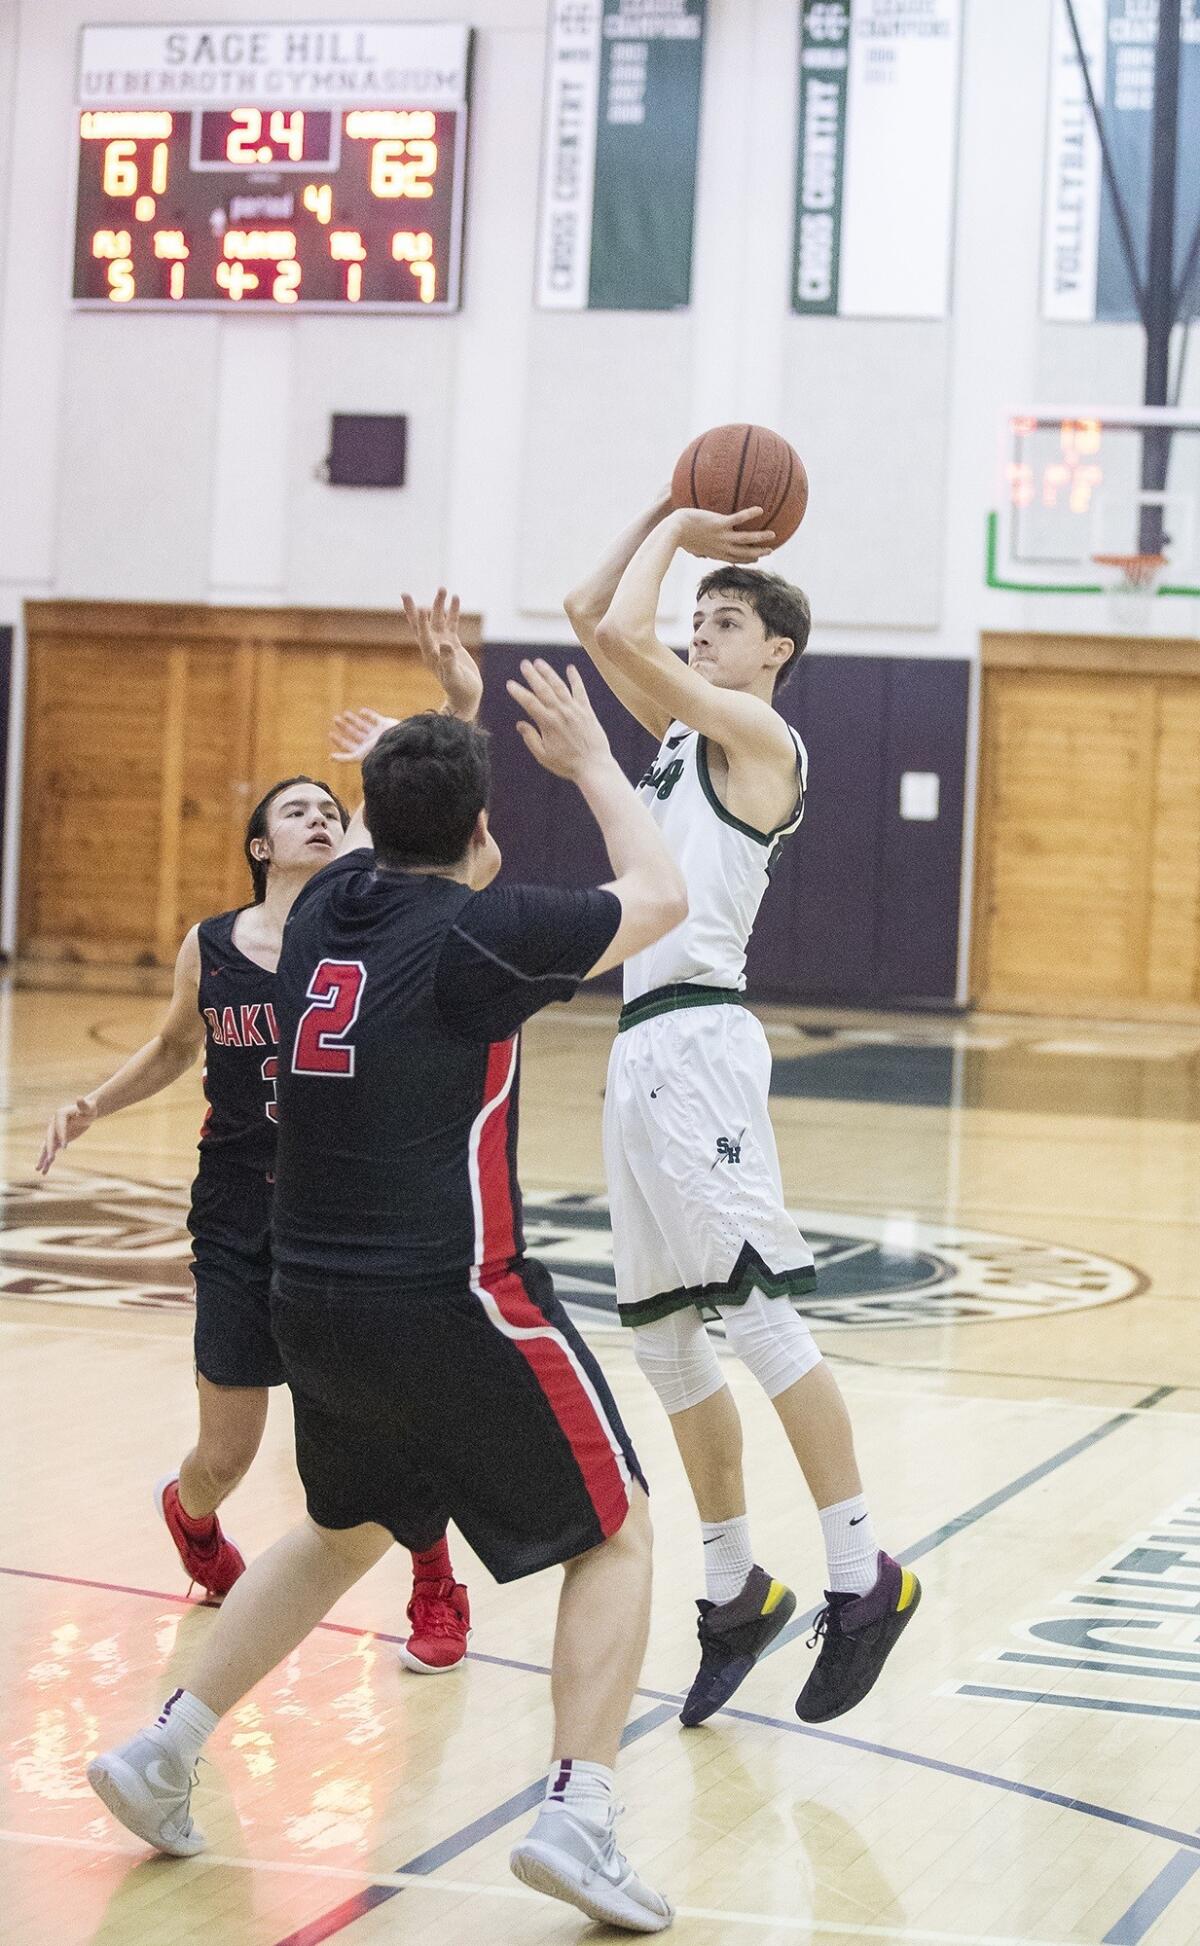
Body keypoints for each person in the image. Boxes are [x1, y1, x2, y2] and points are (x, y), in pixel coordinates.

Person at [87, 629, 687, 1935]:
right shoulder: (486, 936)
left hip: (313, 1292)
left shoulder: (307, 921)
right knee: (621, 1526)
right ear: (478, 827)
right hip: (452, 1291)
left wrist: (446, 723)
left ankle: (165, 1746)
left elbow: (398, 829)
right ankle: (581, 1811)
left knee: (344, 1525)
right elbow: (659, 893)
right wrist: (590, 761)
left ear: (367, 814)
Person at [39, 604, 479, 1672]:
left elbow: (438, 788)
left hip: (340, 1202)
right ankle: (189, 1516)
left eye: (334, 806)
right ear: (258, 844)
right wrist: (96, 1101)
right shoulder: (210, 943)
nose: (322, 817)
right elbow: (170, 1047)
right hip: (237, 1206)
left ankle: (435, 1579)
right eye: (297, 809)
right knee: (226, 1452)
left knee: (384, 1410)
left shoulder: (356, 905)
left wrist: (452, 694)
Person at [563, 493, 921, 1730]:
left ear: (775, 649)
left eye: (725, 620)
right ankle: (733, 1592)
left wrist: (678, 523)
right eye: (699, 619)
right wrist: (662, 511)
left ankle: (863, 1567)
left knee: (760, 1321)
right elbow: (591, 614)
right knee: (665, 1340)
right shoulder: (679, 740)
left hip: (702, 1039)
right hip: (638, 1043)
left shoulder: (763, 740)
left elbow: (627, 629)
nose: (701, 631)